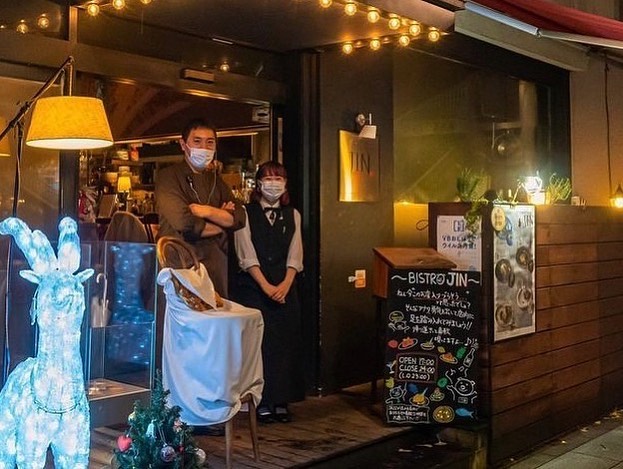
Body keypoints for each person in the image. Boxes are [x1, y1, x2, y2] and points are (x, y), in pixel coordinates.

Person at [233, 161, 305, 423]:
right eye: (268, 178)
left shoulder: (293, 214)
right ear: (259, 183)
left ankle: (282, 399)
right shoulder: (245, 212)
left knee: (285, 344)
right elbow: (245, 254)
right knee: (259, 346)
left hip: (286, 287)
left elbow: (296, 254)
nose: (273, 184)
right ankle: (261, 400)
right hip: (254, 287)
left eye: (279, 178)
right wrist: (265, 286)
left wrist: (285, 284)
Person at [155, 118, 245, 298]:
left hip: (215, 265)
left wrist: (205, 211)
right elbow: (184, 223)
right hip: (181, 263)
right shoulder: (168, 177)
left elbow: (240, 218)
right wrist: (222, 221)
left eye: (209, 142)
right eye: (197, 141)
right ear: (183, 145)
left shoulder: (215, 180)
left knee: (216, 311)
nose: (204, 148)